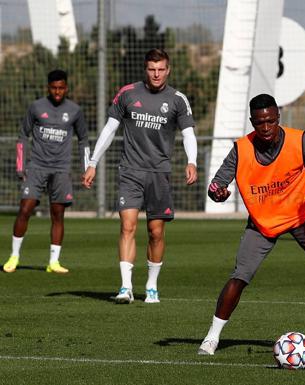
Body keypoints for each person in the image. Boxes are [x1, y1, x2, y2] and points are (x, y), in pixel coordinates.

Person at [197, 93, 305, 355]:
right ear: (252, 121)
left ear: (278, 118)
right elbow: (216, 184)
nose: (265, 128)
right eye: (259, 122)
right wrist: (217, 191)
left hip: (303, 216)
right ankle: (211, 337)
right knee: (239, 276)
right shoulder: (241, 149)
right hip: (263, 222)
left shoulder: (300, 141)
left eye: (270, 121)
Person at [82, 48, 198, 304]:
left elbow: (188, 133)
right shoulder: (127, 93)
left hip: (160, 174)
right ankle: (125, 287)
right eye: (151, 69)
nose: (156, 74)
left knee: (156, 232)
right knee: (127, 226)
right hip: (130, 171)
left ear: (168, 70)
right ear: (145, 70)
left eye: (161, 69)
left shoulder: (178, 99)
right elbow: (110, 128)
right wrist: (93, 163)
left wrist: (192, 161)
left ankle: (152, 286)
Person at [3, 69, 89, 274]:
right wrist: (20, 166)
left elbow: (84, 139)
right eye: (53, 88)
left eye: (61, 88)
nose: (57, 92)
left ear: (66, 88)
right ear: (48, 88)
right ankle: (14, 257)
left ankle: (54, 262)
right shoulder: (36, 107)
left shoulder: (75, 110)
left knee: (57, 214)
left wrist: (87, 168)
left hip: (61, 169)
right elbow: (23, 135)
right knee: (25, 208)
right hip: (37, 167)